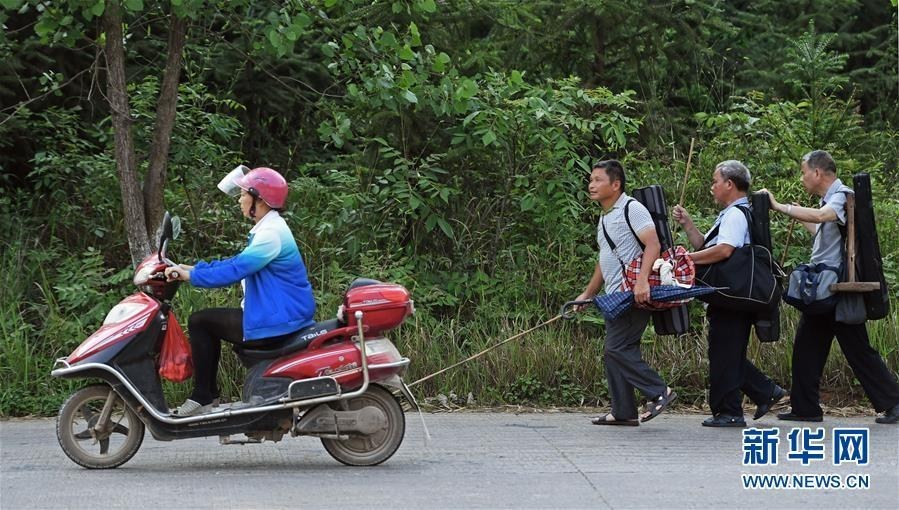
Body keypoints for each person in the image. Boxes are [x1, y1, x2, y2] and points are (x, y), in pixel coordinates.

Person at [760, 150, 899, 424]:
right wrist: (800, 215)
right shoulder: (830, 200)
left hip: (837, 289)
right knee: (806, 348)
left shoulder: (841, 195)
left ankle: (894, 401)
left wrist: (780, 207)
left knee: (857, 349)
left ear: (817, 173)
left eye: (803, 172)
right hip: (824, 289)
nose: (802, 178)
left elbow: (823, 216)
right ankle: (806, 408)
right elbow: (823, 233)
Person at [165, 166, 316, 416]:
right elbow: (236, 262)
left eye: (244, 194)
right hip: (278, 313)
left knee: (200, 321)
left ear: (260, 200)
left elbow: (237, 269)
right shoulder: (269, 228)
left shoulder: (271, 234)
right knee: (204, 321)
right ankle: (206, 394)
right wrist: (193, 268)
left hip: (279, 319)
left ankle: (204, 395)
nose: (239, 199)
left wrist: (191, 276)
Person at [672, 160, 786, 427]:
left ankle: (730, 412)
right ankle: (764, 392)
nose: (712, 187)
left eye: (715, 182)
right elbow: (706, 245)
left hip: (731, 295)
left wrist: (685, 259)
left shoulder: (736, 214)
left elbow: (724, 251)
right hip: (728, 295)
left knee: (725, 352)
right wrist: (688, 224)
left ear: (729, 184)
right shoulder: (730, 213)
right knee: (725, 351)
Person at [575, 160, 676, 426]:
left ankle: (658, 390)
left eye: (598, 180)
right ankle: (623, 411)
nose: (591, 185)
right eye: (591, 179)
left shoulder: (632, 208)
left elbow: (652, 244)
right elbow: (604, 258)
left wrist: (642, 281)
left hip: (632, 293)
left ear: (615, 184)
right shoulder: (606, 215)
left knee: (616, 348)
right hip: (614, 295)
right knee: (615, 350)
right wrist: (588, 293)